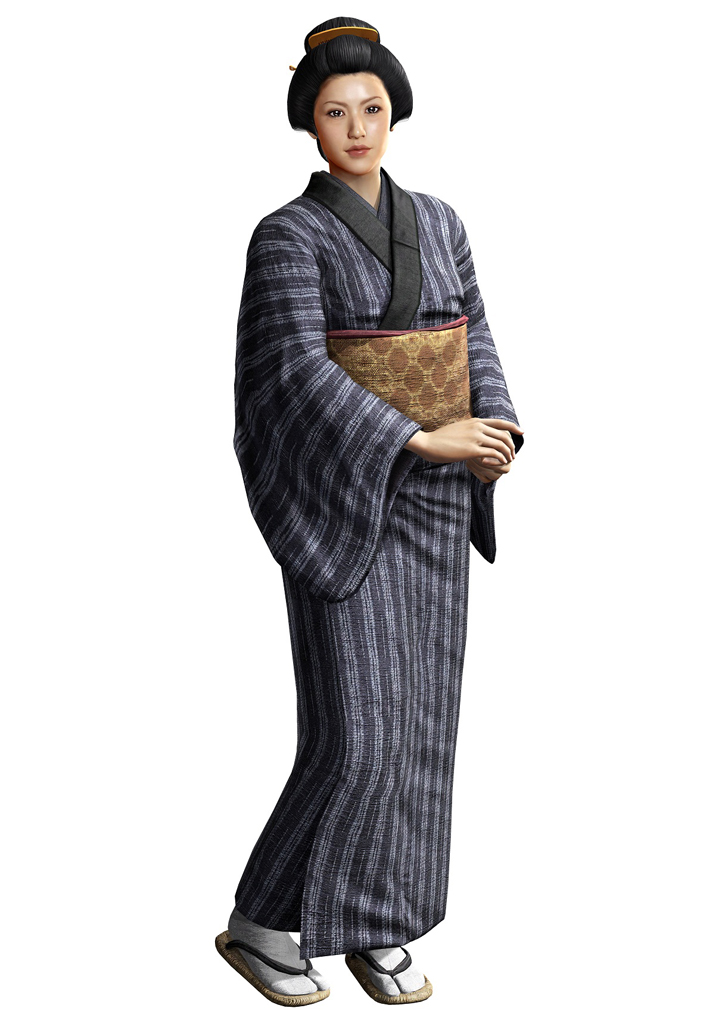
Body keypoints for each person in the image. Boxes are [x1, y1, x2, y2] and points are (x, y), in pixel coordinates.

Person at [215, 16, 525, 1008]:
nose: (356, 129)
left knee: (420, 729)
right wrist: (415, 438)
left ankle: (381, 921)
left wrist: (495, 425)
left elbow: (474, 332)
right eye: (335, 112)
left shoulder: (439, 220)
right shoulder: (288, 235)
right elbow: (294, 372)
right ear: (308, 123)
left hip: (437, 499)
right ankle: (261, 924)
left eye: (372, 109)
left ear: (395, 114)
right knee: (353, 735)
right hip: (346, 496)